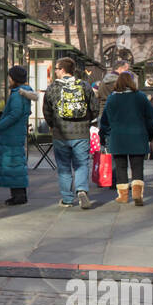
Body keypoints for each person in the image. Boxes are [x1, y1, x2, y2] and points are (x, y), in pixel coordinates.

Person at [42, 56, 98, 209]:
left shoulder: (53, 87)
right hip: (81, 133)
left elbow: (46, 110)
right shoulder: (85, 86)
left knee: (64, 166)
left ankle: (67, 199)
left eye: (56, 68)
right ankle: (81, 190)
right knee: (81, 164)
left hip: (61, 134)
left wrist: (52, 124)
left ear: (62, 70)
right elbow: (94, 108)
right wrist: (87, 121)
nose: (55, 71)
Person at [99, 72, 153, 206]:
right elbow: (150, 118)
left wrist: (104, 136)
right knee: (137, 166)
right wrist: (150, 133)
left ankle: (123, 196)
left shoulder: (112, 99)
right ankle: (137, 194)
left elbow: (105, 121)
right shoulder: (141, 97)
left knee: (120, 167)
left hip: (117, 137)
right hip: (138, 136)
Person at [0, 65, 32, 205]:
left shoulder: (17, 94)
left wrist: (1, 123)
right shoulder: (21, 92)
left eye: (10, 77)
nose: (8, 79)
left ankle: (19, 196)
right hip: (16, 133)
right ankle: (18, 194)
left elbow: (15, 113)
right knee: (15, 164)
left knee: (14, 164)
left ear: (15, 79)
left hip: (12, 134)